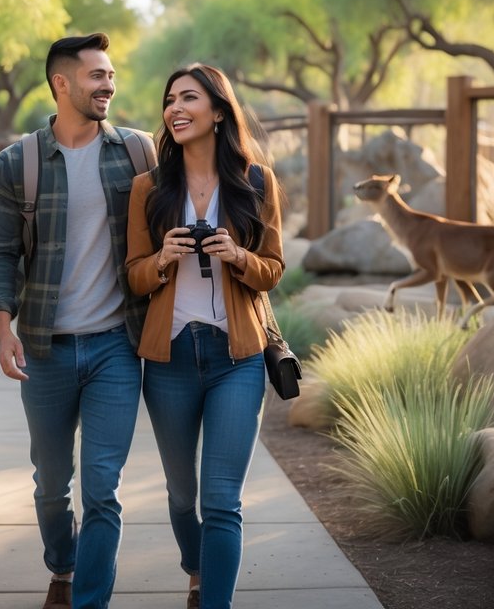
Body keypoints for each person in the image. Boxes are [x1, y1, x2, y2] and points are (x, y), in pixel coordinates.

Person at [0, 33, 154, 609]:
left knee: (103, 488)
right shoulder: (18, 162)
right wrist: (4, 329)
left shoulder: (137, 153)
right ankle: (63, 564)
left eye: (110, 75)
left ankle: (90, 600)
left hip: (115, 348)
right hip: (46, 348)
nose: (108, 85)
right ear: (62, 83)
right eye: (96, 76)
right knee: (52, 487)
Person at [125, 64, 285, 609]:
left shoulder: (256, 182)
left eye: (188, 98)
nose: (175, 109)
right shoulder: (148, 188)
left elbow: (274, 269)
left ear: (218, 111)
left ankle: (213, 599)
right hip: (169, 360)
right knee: (180, 495)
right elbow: (133, 273)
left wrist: (239, 256)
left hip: (236, 358)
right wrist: (162, 259)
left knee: (221, 501)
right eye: (169, 99)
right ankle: (196, 569)